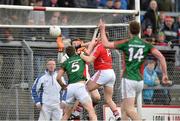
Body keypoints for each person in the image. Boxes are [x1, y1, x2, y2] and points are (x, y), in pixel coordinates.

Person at [99, 19, 169, 120]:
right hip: (139, 81)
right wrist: (165, 74)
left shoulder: (126, 43)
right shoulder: (145, 44)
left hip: (129, 79)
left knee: (129, 109)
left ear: (129, 30)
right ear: (139, 30)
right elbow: (161, 57)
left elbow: (105, 44)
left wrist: (102, 29)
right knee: (123, 107)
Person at [79, 34, 121, 120]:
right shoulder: (106, 46)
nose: (96, 38)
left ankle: (77, 111)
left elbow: (89, 60)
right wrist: (82, 45)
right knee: (108, 99)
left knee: (84, 89)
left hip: (103, 72)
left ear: (101, 38)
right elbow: (92, 43)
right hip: (111, 73)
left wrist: (81, 55)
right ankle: (117, 116)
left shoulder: (99, 47)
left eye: (98, 36)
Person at [56, 46, 97, 121]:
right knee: (91, 111)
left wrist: (63, 86)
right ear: (75, 51)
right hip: (80, 86)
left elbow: (58, 78)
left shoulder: (66, 62)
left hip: (70, 88)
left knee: (67, 114)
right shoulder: (81, 57)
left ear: (67, 54)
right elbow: (89, 56)